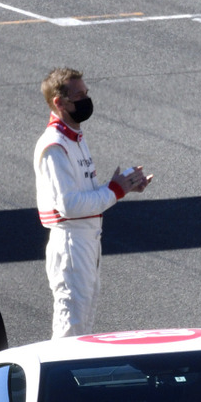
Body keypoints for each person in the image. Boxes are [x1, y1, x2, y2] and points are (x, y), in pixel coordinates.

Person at [33, 67, 151, 338]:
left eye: (87, 93)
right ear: (59, 103)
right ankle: (58, 379)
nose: (86, 100)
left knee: (83, 326)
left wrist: (124, 186)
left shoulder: (74, 138)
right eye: (79, 96)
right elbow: (69, 205)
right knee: (71, 327)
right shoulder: (55, 145)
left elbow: (85, 194)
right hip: (72, 244)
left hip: (87, 242)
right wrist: (114, 191)